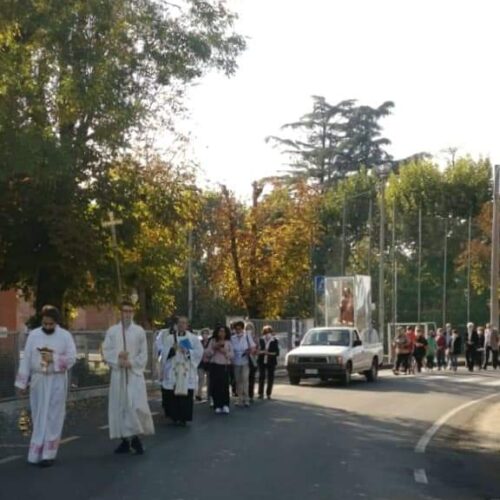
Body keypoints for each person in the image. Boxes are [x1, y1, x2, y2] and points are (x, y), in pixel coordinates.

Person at [14, 305, 77, 467]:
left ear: (56, 322)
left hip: (56, 380)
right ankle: (35, 452)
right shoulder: (34, 335)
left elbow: (71, 358)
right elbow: (27, 358)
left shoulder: (65, 336)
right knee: (38, 414)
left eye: (51, 324)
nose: (47, 327)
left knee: (53, 415)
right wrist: (22, 382)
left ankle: (49, 453)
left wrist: (53, 359)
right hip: (38, 380)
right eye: (45, 323)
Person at [103, 301, 154, 455]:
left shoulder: (139, 331)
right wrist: (118, 358)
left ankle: (136, 438)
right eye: (125, 311)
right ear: (121, 312)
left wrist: (131, 363)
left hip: (134, 375)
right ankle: (126, 440)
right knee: (121, 407)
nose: (127, 314)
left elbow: (143, 353)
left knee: (134, 405)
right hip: (119, 375)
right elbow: (106, 351)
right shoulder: (112, 331)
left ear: (133, 312)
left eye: (130, 311)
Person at [156, 316, 204, 426]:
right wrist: (172, 349)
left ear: (187, 325)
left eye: (184, 323)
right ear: (177, 325)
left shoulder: (193, 338)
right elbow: (163, 355)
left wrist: (187, 351)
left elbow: (199, 352)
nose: (182, 325)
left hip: (186, 369)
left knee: (185, 394)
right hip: (173, 369)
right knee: (172, 393)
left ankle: (184, 417)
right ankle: (174, 416)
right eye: (180, 323)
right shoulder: (169, 338)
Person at [205, 325, 233, 414]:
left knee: (225, 386)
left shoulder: (228, 342)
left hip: (224, 366)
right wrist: (214, 348)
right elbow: (207, 353)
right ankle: (217, 405)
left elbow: (232, 355)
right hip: (215, 365)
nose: (222, 333)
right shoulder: (213, 341)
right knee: (215, 386)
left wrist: (226, 352)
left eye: (224, 331)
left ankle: (225, 405)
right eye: (220, 331)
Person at [231, 320, 256, 407]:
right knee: (238, 381)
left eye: (240, 329)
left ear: (242, 329)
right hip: (236, 362)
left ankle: (246, 399)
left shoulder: (247, 336)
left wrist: (249, 351)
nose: (238, 330)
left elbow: (253, 347)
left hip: (245, 361)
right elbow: (231, 350)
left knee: (245, 380)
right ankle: (239, 398)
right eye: (236, 329)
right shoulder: (232, 338)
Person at [258, 326, 280, 399]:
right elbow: (258, 351)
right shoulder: (261, 340)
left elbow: (277, 353)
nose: (267, 334)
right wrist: (263, 352)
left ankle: (268, 394)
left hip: (271, 361)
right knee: (262, 376)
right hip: (262, 360)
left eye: (269, 332)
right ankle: (260, 393)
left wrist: (269, 353)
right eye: (266, 332)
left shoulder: (274, 340)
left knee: (270, 377)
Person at [196, 328, 211, 401]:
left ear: (208, 334)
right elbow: (197, 352)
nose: (204, 335)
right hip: (201, 362)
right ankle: (199, 394)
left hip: (208, 362)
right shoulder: (199, 342)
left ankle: (209, 395)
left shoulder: (210, 343)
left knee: (209, 379)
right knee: (201, 378)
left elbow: (212, 351)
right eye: (203, 334)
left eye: (206, 333)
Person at [245, 322, 258, 403]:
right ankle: (244, 395)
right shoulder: (244, 337)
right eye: (247, 328)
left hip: (253, 359)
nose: (249, 330)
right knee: (244, 378)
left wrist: (254, 350)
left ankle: (251, 395)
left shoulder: (255, 338)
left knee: (251, 378)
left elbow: (257, 348)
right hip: (245, 359)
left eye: (250, 328)